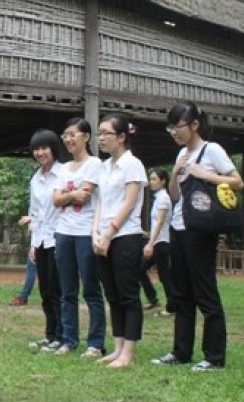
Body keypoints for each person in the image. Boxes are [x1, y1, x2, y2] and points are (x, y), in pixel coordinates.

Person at [152, 100, 243, 372]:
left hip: (200, 230)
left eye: (178, 126)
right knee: (181, 294)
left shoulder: (211, 150)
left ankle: (214, 357)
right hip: (179, 228)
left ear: (194, 125)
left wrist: (204, 173)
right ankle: (181, 352)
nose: (174, 132)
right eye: (170, 127)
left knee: (205, 293)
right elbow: (176, 196)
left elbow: (237, 181)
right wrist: (178, 171)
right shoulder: (182, 154)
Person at [92, 115, 147, 368]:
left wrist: (110, 231)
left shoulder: (132, 164)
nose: (101, 138)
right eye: (99, 133)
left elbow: (129, 202)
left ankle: (129, 353)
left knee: (128, 295)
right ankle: (117, 348)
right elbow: (101, 203)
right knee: (112, 295)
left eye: (106, 134)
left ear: (122, 137)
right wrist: (96, 233)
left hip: (125, 236)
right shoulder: (103, 167)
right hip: (104, 237)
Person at [52, 118, 106, 357]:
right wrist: (71, 193)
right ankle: (69, 340)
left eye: (72, 134)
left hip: (86, 232)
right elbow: (55, 200)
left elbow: (85, 197)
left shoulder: (95, 164)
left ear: (86, 137)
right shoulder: (63, 168)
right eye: (65, 135)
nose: (67, 139)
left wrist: (67, 193)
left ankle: (95, 343)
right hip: (63, 232)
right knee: (67, 291)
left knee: (92, 290)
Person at [23, 129, 68, 352]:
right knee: (45, 290)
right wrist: (33, 243)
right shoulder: (36, 178)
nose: (40, 153)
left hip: (59, 237)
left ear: (53, 149)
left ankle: (62, 335)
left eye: (44, 148)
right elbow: (35, 212)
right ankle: (50, 335)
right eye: (36, 149)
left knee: (58, 289)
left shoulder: (64, 173)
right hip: (41, 240)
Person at [141, 168, 175, 317]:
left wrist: (150, 243)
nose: (151, 182)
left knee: (164, 275)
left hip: (162, 242)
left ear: (163, 181)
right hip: (157, 241)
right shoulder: (158, 198)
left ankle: (172, 307)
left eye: (154, 179)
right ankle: (153, 299)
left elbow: (160, 221)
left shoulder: (163, 198)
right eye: (151, 179)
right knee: (140, 268)